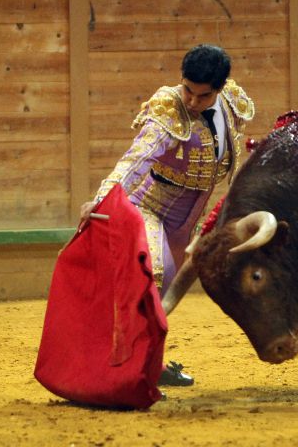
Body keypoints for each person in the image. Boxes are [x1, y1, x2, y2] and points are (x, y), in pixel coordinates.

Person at [78, 44, 255, 386]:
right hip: (149, 207)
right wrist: (101, 199)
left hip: (187, 220)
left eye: (202, 95)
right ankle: (127, 368)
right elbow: (137, 157)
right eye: (187, 89)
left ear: (219, 89)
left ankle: (146, 363)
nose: (192, 101)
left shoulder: (231, 102)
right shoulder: (167, 106)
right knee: (155, 275)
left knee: (163, 297)